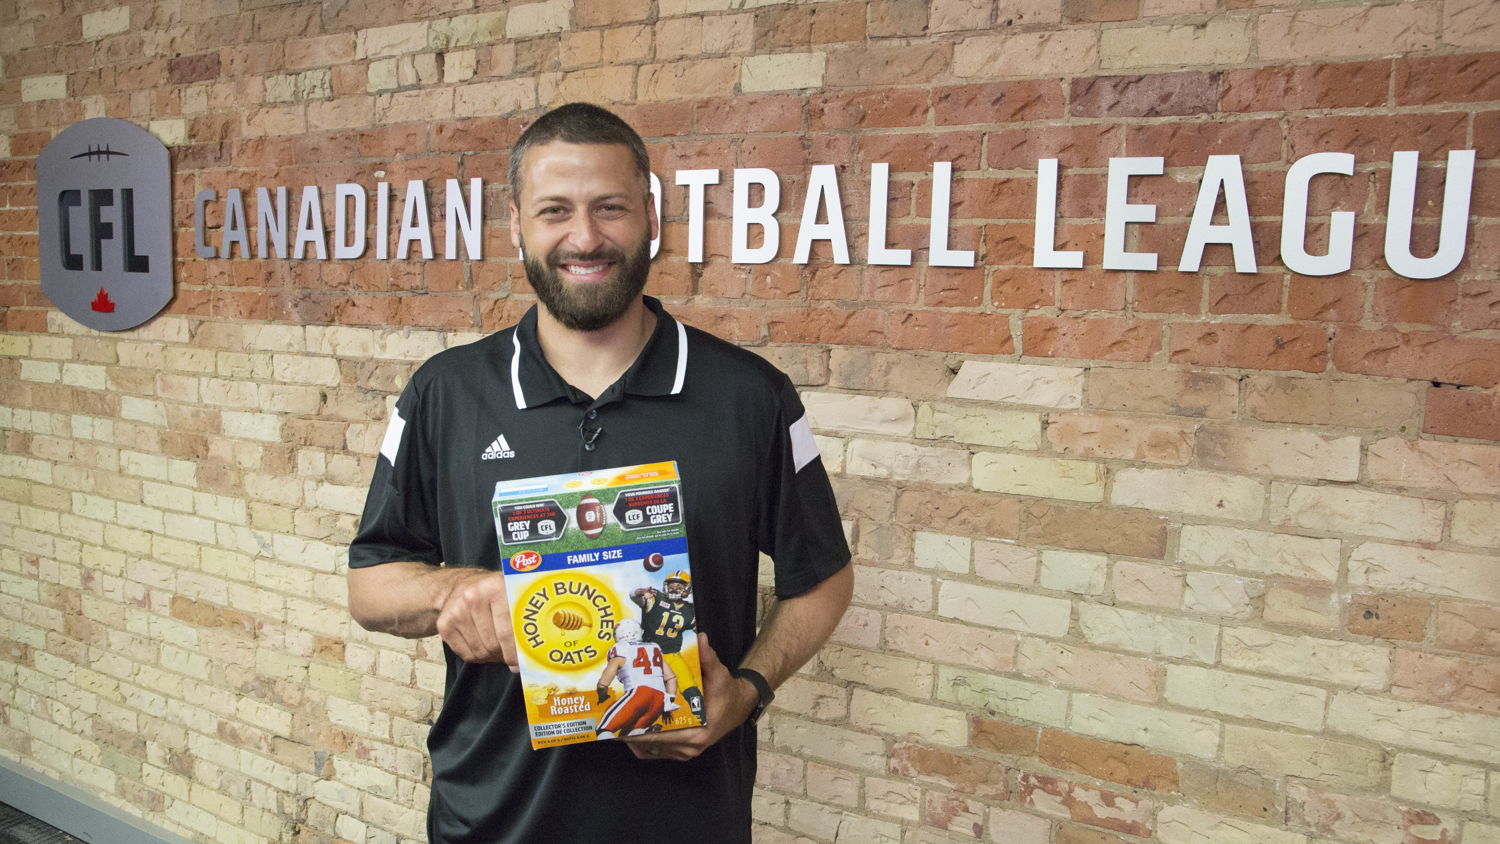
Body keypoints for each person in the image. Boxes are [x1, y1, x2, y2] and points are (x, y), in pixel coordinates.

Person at [346, 102, 853, 843]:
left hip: (688, 822)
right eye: (556, 210)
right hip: (490, 821)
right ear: (517, 222)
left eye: (609, 207)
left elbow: (824, 577)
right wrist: (457, 591)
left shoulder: (750, 395)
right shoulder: (445, 393)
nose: (584, 237)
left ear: (650, 215)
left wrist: (745, 692)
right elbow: (369, 585)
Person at [630, 570, 703, 723]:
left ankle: (702, 716)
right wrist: (642, 591)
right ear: (665, 586)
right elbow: (633, 595)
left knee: (690, 687)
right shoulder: (654, 599)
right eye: (671, 585)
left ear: (687, 588)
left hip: (672, 654)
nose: (674, 588)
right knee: (642, 692)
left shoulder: (690, 610)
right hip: (648, 653)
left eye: (679, 585)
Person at [595, 619, 678, 739]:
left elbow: (603, 683)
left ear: (618, 634)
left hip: (639, 694)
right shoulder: (654, 648)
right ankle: (644, 732)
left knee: (603, 729)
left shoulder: (620, 649)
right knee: (629, 736)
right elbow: (671, 678)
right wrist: (668, 704)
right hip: (660, 700)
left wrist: (602, 695)